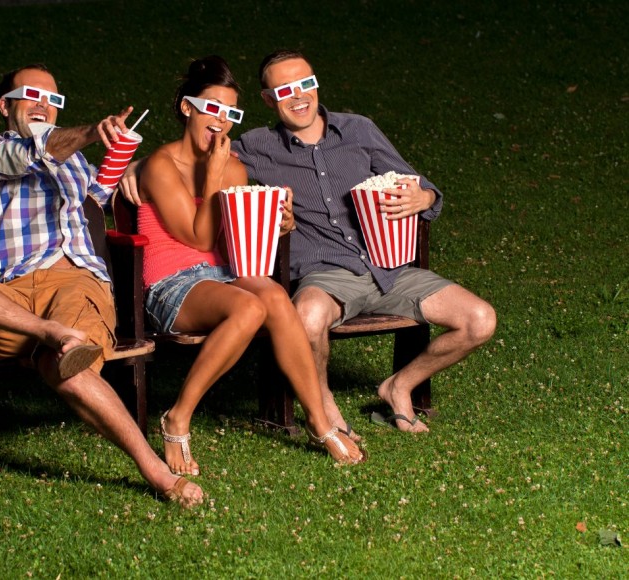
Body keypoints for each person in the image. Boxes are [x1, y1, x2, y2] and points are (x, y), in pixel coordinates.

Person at [122, 50, 497, 435]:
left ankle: (399, 386)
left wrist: (426, 197)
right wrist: (138, 167)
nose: (298, 95)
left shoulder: (359, 130)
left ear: (316, 85)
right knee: (307, 316)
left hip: (389, 269)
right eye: (285, 89)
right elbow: (197, 154)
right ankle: (325, 409)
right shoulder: (256, 146)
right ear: (269, 100)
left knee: (481, 320)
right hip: (325, 276)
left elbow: (417, 182)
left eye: (305, 84)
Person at [0, 63, 203, 508]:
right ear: (4, 105)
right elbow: (29, 155)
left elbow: (100, 196)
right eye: (31, 94)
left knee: (63, 365)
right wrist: (90, 131)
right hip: (7, 292)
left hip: (75, 282)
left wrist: (133, 164)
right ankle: (49, 333)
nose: (43, 105)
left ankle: (155, 472)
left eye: (52, 99)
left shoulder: (77, 164)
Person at [136, 55, 364, 475]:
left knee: (274, 296)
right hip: (171, 284)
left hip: (223, 277)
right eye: (212, 108)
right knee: (249, 306)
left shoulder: (234, 169)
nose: (221, 121)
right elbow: (199, 239)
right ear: (187, 107)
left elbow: (235, 239)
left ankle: (318, 420)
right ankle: (177, 418)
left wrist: (278, 224)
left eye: (230, 113)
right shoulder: (159, 165)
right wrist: (213, 176)